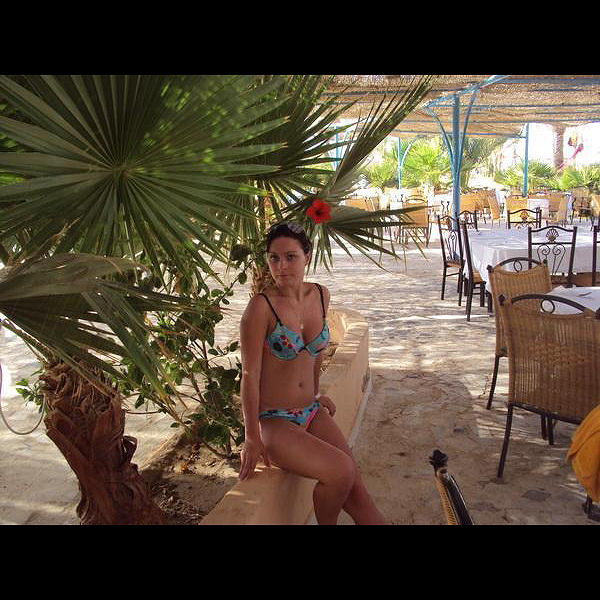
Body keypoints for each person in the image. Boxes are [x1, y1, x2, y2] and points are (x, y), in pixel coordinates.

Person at [238, 221, 387, 525]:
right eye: (274, 258)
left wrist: (315, 392)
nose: (281, 266)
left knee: (359, 493)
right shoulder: (260, 308)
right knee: (341, 471)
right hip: (275, 420)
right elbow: (250, 375)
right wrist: (251, 435)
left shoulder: (320, 295)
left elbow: (316, 353)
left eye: (290, 257)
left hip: (310, 411)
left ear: (307, 256)